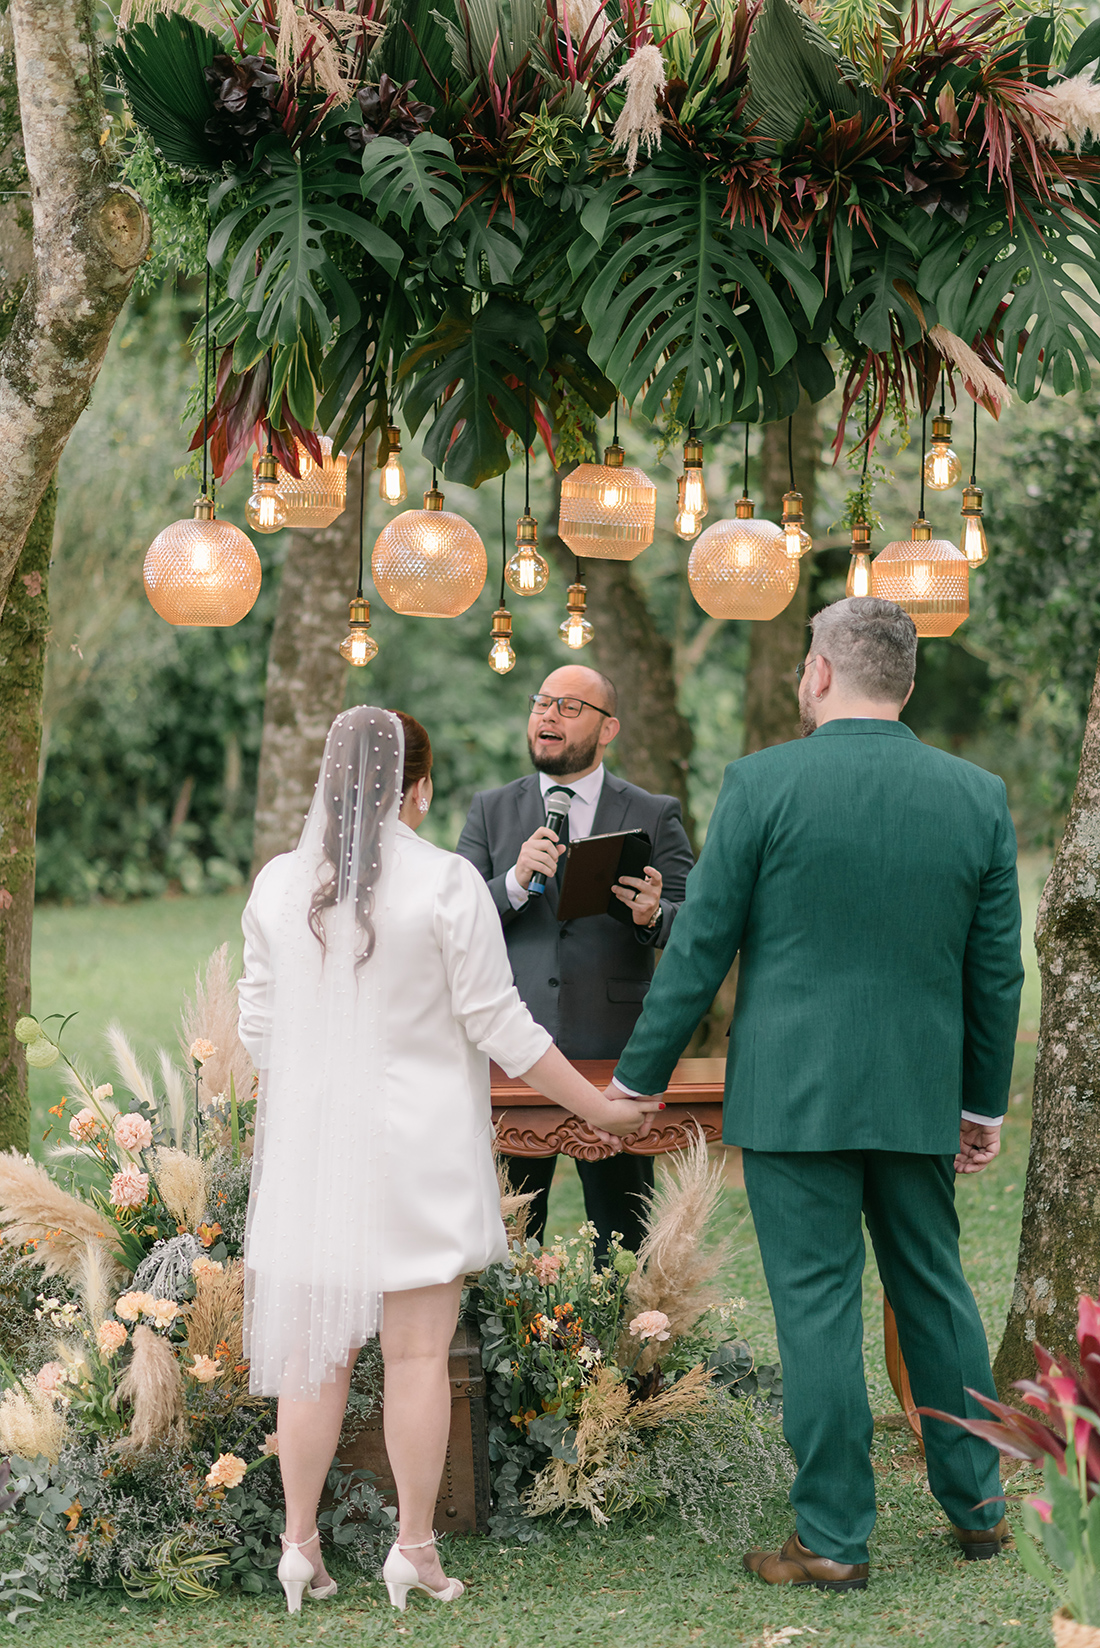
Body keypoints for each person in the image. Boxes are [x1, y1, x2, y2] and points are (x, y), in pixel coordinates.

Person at [609, 597, 1023, 1589]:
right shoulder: (975, 794)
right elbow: (995, 968)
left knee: (817, 1307)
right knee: (933, 1286)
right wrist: (980, 1103)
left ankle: (833, 1536)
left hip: (794, 1094)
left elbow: (700, 940)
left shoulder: (760, 782)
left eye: (802, 662)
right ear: (906, 682)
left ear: (821, 673)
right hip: (916, 1090)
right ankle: (978, 1509)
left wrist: (636, 1077)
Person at [237, 706, 659, 1614]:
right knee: (418, 1356)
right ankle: (413, 1551)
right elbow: (505, 1030)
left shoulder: (277, 885)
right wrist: (604, 1111)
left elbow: (258, 1031)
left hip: (313, 1160)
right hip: (416, 1158)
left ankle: (298, 1548)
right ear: (416, 790)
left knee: (316, 1360)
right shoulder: (447, 884)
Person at [456, 664, 694, 1254]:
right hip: (510, 1053)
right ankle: (506, 1343)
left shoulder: (653, 811)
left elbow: (694, 925)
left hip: (614, 1050)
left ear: (607, 728)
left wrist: (652, 914)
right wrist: (512, 881)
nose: (547, 716)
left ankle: (622, 1342)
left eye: (568, 707)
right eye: (542, 703)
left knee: (624, 1243)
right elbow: (454, 920)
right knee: (504, 1238)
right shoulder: (490, 810)